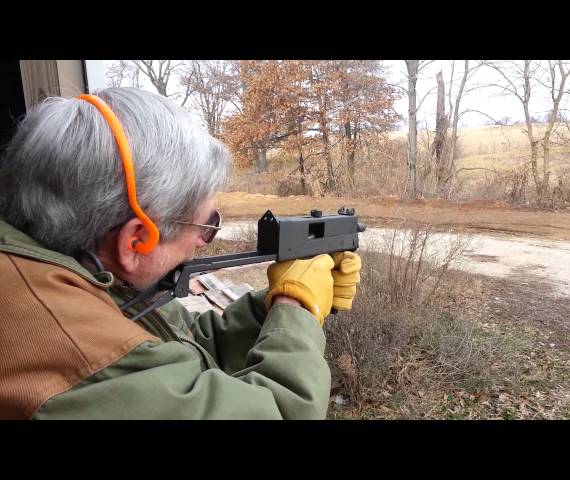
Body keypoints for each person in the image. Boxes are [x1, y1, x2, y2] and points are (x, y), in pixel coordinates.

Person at [0, 87, 361, 419]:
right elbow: (282, 412)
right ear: (135, 241)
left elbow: (178, 345)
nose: (204, 241)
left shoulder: (69, 269)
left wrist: (273, 303)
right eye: (206, 225)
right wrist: (297, 311)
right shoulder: (84, 362)